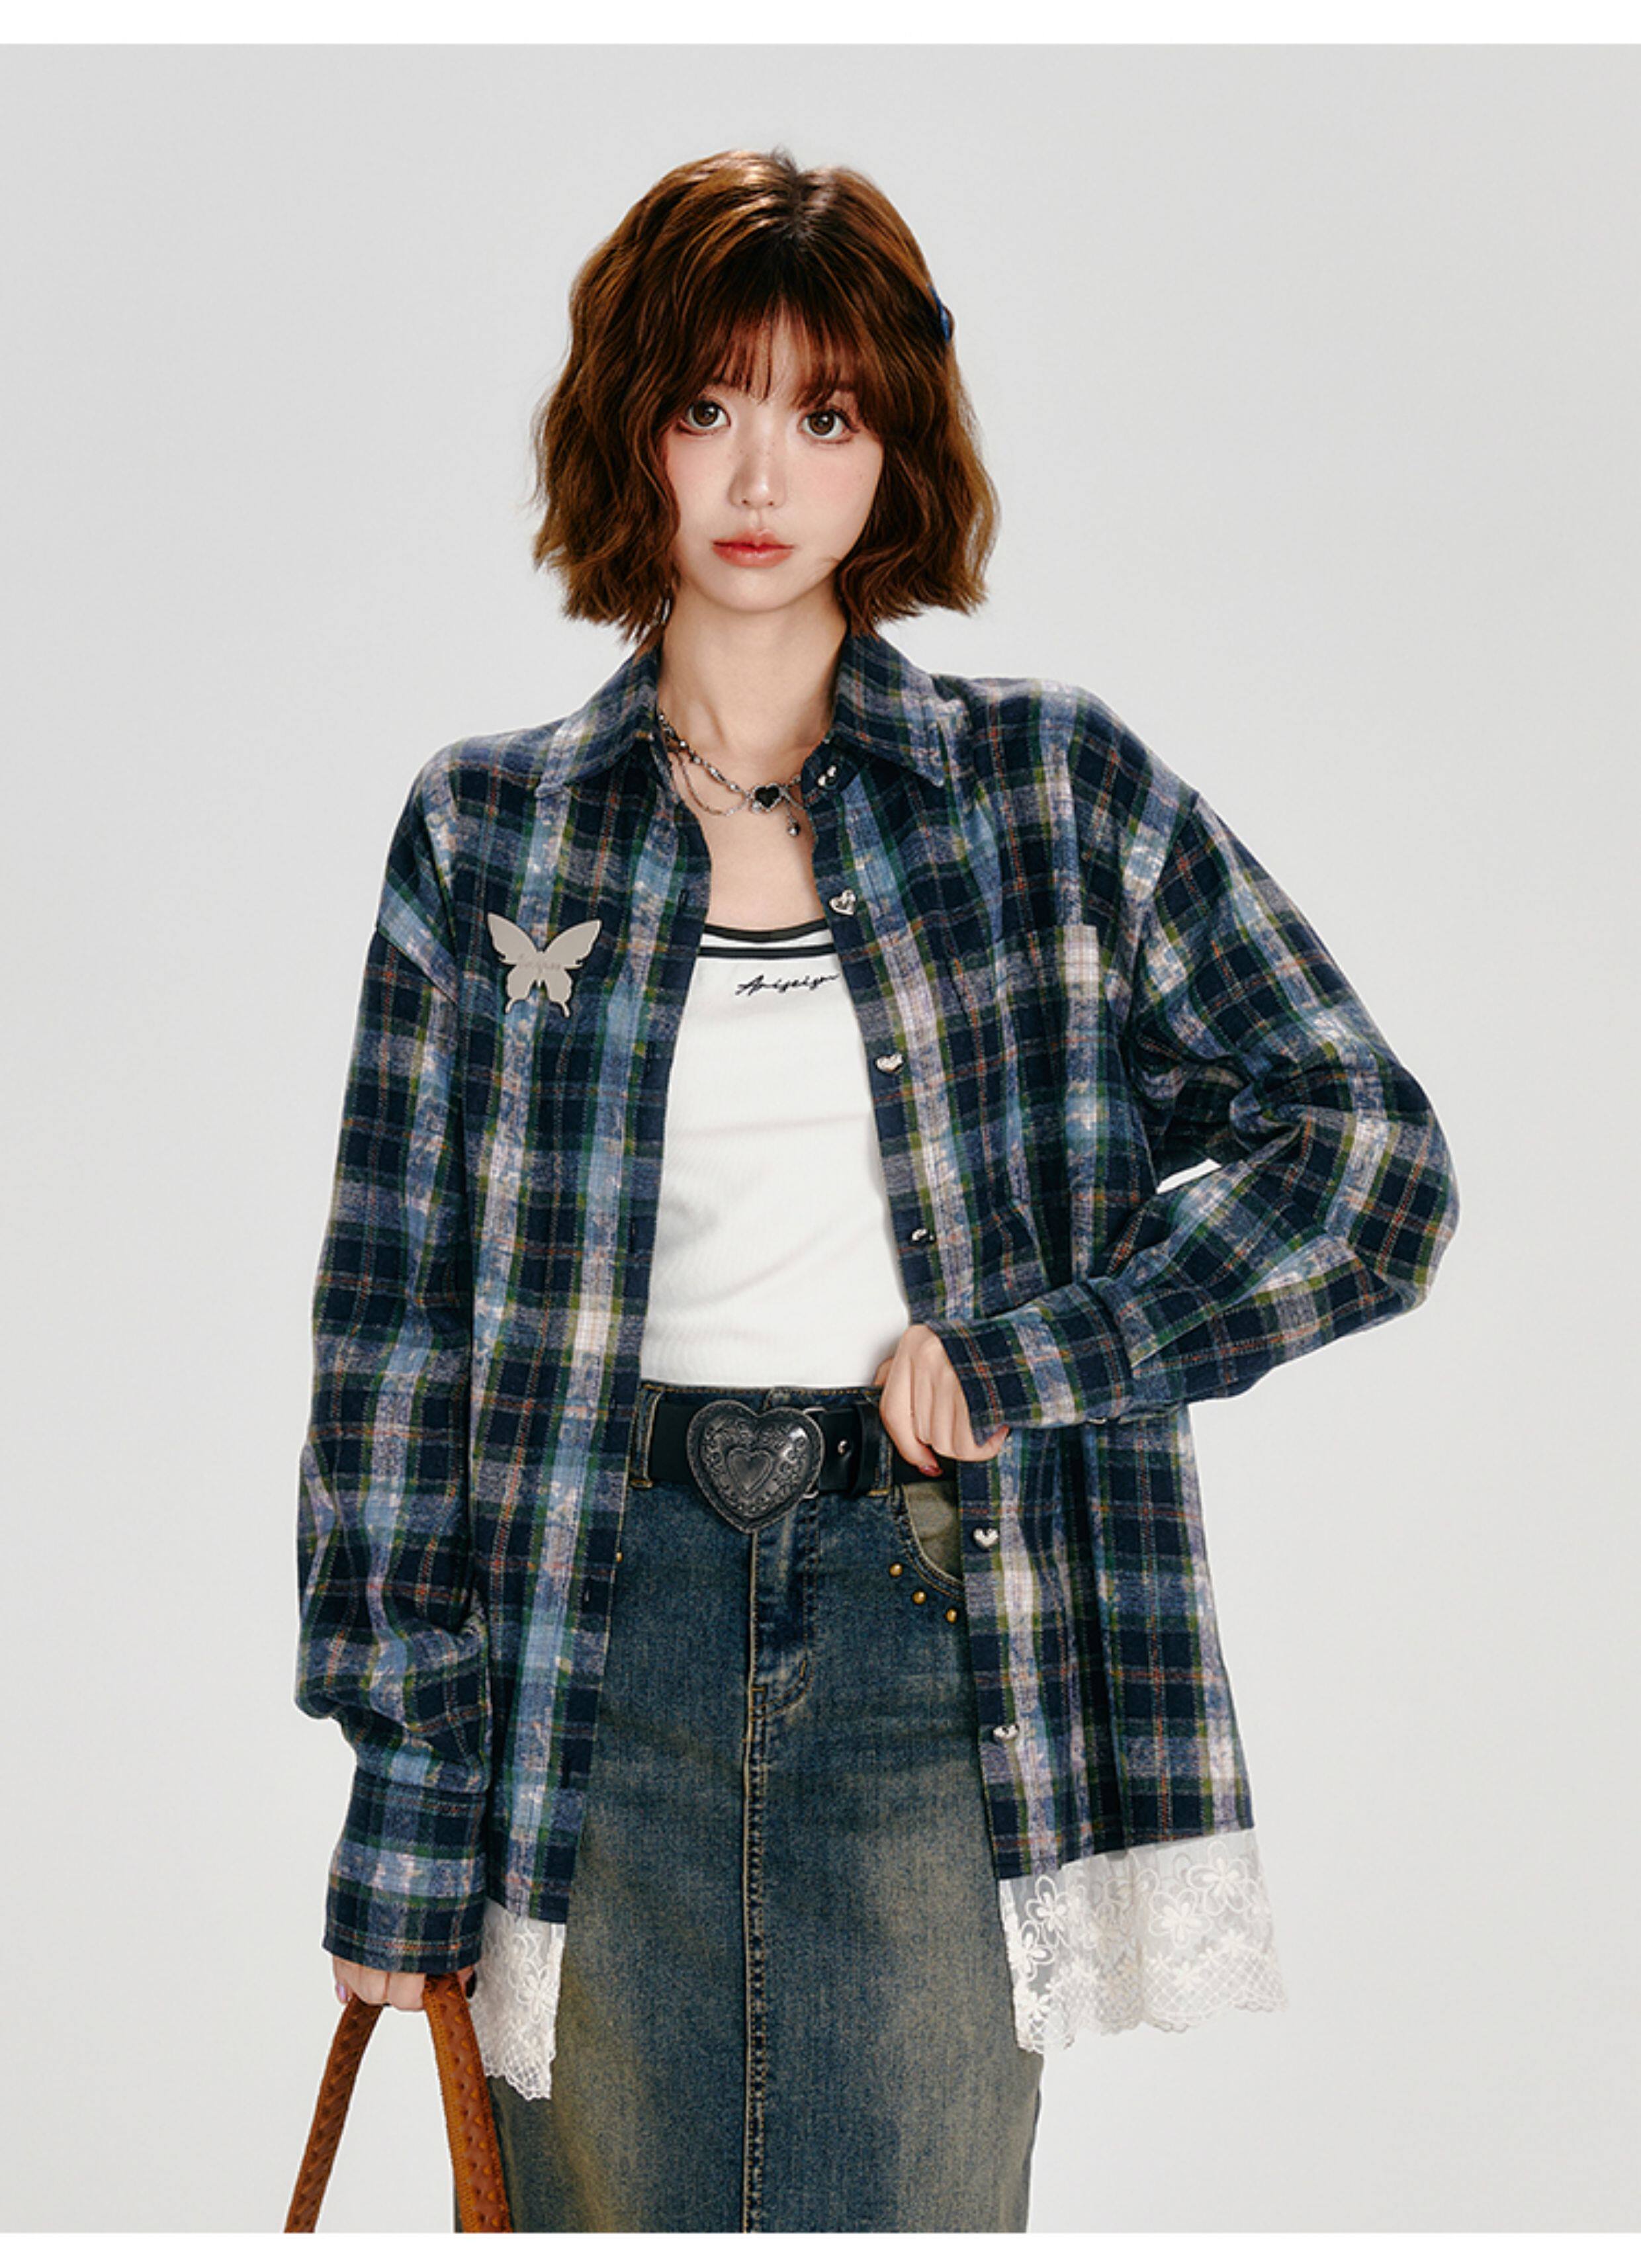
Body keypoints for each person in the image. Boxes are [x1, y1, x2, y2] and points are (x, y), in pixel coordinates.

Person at [295, 146, 1460, 2235]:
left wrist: (1042, 1354)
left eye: (825, 413)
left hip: (935, 1626)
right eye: (707, 404)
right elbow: (393, 1328)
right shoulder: (487, 835)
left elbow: (1368, 1158)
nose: (764, 473)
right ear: (628, 429)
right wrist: (407, 1780)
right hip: (592, 1638)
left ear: (897, 445)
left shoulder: (1054, 797)